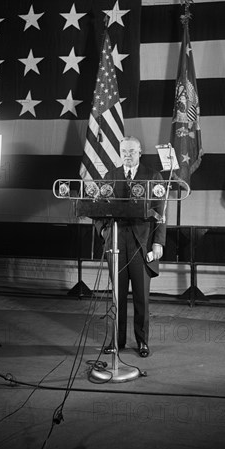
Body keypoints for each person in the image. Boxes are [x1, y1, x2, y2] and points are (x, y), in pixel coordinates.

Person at [96, 136, 167, 357]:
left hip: (141, 244)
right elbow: (97, 207)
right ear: (120, 152)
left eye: (132, 151)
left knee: (140, 297)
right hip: (116, 242)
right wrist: (103, 231)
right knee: (117, 296)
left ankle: (142, 341)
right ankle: (117, 341)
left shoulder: (152, 176)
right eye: (124, 151)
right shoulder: (111, 176)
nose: (128, 155)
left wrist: (158, 242)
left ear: (140, 152)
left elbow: (161, 212)